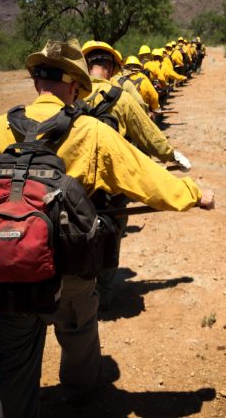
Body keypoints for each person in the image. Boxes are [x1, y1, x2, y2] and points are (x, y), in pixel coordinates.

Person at [0, 38, 215, 417]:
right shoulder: (91, 132)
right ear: (74, 85)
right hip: (67, 264)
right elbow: (145, 176)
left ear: (37, 82)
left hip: (5, 268)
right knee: (79, 327)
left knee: (9, 359)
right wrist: (193, 193)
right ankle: (81, 391)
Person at [80, 39, 193, 308]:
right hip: (110, 186)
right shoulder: (121, 97)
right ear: (110, 66)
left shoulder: (71, 93)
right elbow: (149, 135)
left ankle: (77, 291)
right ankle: (103, 292)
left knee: (72, 233)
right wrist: (171, 154)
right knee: (111, 234)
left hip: (73, 184)